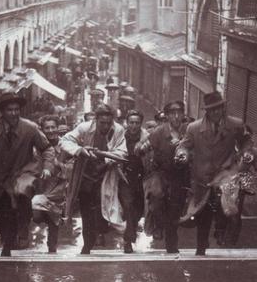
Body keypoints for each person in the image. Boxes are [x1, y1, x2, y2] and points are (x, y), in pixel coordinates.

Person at [175, 92, 253, 255]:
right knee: (203, 215)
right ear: (207, 111)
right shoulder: (194, 128)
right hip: (202, 178)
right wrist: (182, 154)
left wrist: (247, 153)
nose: (216, 112)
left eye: (219, 108)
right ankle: (201, 247)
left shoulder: (235, 124)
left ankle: (221, 232)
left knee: (226, 208)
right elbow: (184, 146)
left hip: (226, 175)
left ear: (223, 108)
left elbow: (246, 141)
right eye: (212, 109)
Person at [0, 92, 55, 256]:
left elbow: (47, 148)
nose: (13, 113)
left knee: (21, 209)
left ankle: (21, 233)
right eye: (9, 110)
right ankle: (7, 244)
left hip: (21, 176)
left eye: (16, 109)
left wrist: (47, 167)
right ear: (2, 111)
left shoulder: (30, 128)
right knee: (3, 212)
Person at [60, 104, 127, 254]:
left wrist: (104, 156)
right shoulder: (84, 128)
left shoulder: (118, 130)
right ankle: (87, 244)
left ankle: (100, 233)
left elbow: (122, 153)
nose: (105, 126)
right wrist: (80, 150)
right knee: (86, 211)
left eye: (108, 123)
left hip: (105, 174)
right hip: (85, 175)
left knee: (103, 208)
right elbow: (64, 141)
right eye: (102, 123)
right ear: (95, 120)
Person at [137, 101, 190, 253]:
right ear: (166, 116)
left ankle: (172, 244)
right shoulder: (158, 132)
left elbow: (195, 147)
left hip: (180, 175)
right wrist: (142, 148)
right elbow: (143, 146)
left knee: (175, 210)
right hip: (161, 173)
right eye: (172, 113)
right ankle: (158, 225)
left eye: (179, 112)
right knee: (156, 200)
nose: (176, 116)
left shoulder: (188, 130)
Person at [32, 115, 71, 253]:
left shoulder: (65, 146)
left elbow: (71, 167)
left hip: (57, 187)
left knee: (54, 220)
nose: (50, 130)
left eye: (53, 127)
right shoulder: (36, 146)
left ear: (57, 128)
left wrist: (59, 166)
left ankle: (52, 248)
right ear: (42, 129)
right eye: (47, 128)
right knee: (37, 215)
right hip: (40, 186)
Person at [121, 110, 148, 253]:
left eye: (137, 123)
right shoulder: (121, 137)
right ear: (127, 123)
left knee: (138, 209)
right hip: (124, 177)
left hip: (141, 178)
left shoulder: (146, 138)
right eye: (131, 122)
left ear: (140, 124)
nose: (134, 126)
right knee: (128, 205)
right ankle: (128, 241)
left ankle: (131, 230)